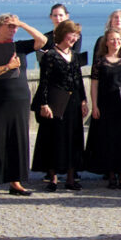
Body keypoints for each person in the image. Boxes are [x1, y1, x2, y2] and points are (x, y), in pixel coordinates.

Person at [0, 13, 47, 198]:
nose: (13, 29)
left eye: (14, 26)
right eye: (9, 26)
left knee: (18, 140)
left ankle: (15, 183)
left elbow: (43, 40)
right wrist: (7, 67)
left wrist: (22, 23)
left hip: (20, 99)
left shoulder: (19, 46)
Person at [30, 20, 89, 191]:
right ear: (64, 34)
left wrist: (84, 101)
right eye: (73, 34)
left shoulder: (74, 56)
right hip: (55, 102)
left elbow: (78, 80)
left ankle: (71, 177)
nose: (75, 38)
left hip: (73, 102)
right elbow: (44, 82)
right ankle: (53, 178)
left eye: (77, 35)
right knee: (53, 138)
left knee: (73, 138)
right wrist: (44, 103)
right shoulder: (50, 55)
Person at [85, 27, 121, 189]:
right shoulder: (100, 61)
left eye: (118, 39)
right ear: (106, 42)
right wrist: (94, 105)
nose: (115, 42)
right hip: (106, 104)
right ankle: (110, 174)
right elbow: (94, 85)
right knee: (107, 139)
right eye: (112, 39)